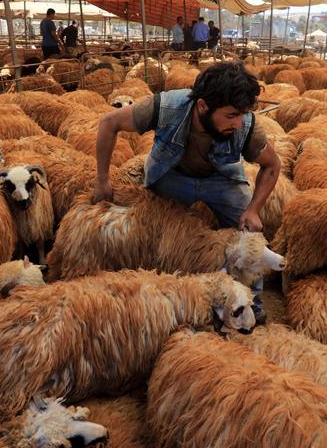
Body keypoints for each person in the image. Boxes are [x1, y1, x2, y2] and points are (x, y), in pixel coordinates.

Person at [92, 62, 281, 322]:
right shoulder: (165, 107)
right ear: (203, 106)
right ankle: (163, 297)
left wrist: (253, 209)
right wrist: (102, 180)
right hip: (172, 175)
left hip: (221, 178)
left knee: (250, 235)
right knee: (156, 231)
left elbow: (272, 165)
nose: (239, 123)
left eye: (243, 114)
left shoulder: (247, 127)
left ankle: (253, 304)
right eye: (231, 115)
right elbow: (109, 122)